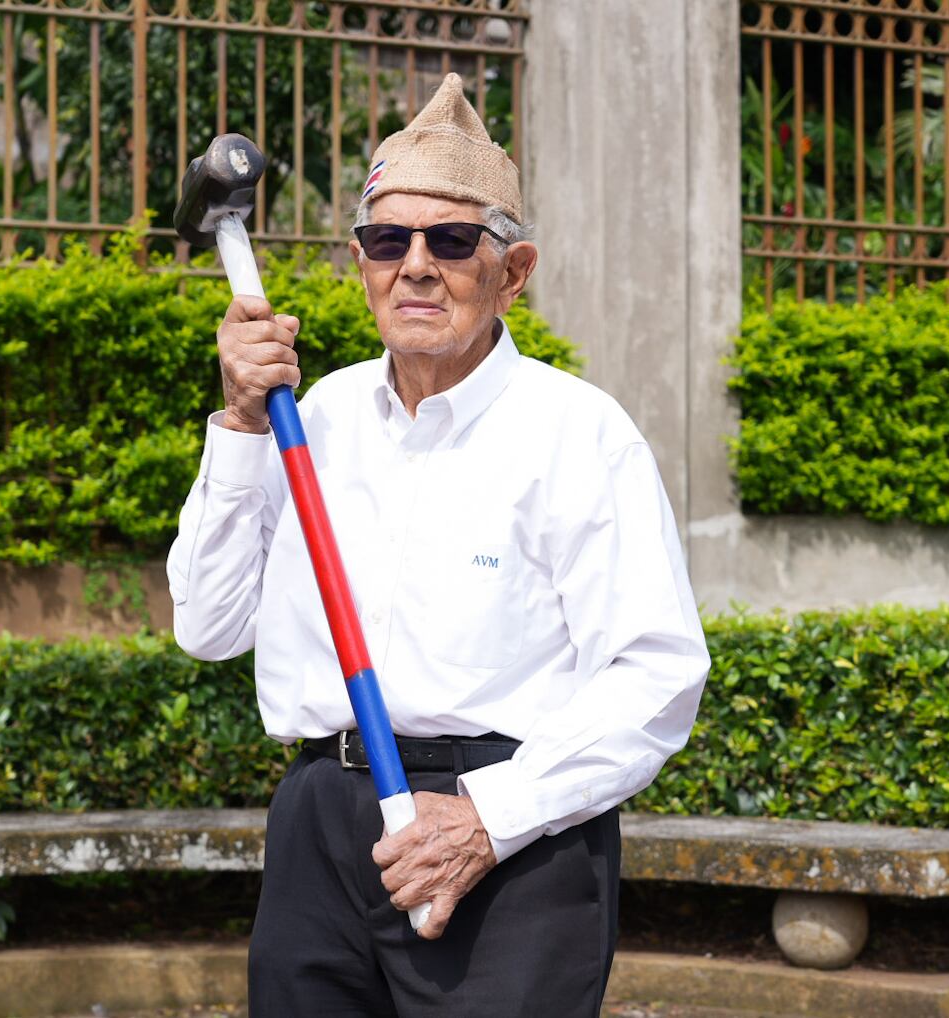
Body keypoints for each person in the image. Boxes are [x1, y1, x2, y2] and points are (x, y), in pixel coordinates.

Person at [167, 72, 710, 1018]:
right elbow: (208, 626)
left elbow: (655, 673)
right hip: (321, 827)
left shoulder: (577, 434)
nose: (415, 265)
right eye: (389, 239)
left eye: (452, 240)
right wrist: (240, 427)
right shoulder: (310, 418)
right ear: (361, 259)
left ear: (513, 270)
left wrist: (483, 822)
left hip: (511, 837)